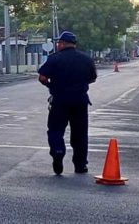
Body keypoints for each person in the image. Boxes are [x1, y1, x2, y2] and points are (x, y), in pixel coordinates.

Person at [38, 31, 97, 175]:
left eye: (58, 43)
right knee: (80, 134)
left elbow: (42, 77)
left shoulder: (54, 58)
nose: (57, 45)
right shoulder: (86, 59)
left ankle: (58, 151)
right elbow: (93, 78)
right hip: (80, 101)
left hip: (60, 100)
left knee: (55, 130)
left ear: (62, 44)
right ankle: (80, 165)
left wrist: (51, 86)